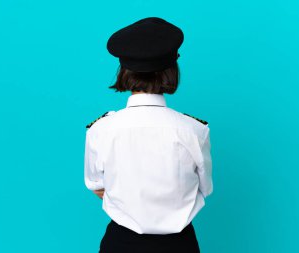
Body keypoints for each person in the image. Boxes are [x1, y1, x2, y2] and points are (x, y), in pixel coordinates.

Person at [84, 17, 213, 253]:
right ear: (171, 71)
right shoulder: (194, 130)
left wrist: (132, 206)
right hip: (179, 245)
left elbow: (96, 185)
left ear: (124, 71)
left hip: (121, 244)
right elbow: (204, 187)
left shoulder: (101, 130)